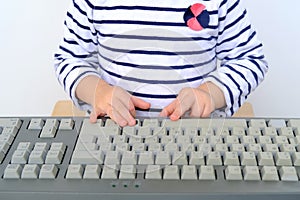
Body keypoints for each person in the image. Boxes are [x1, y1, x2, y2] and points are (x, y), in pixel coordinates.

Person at [54, 0, 268, 127]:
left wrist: (209, 93)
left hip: (196, 130)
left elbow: (248, 59)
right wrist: (99, 92)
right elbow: (71, 59)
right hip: (114, 129)